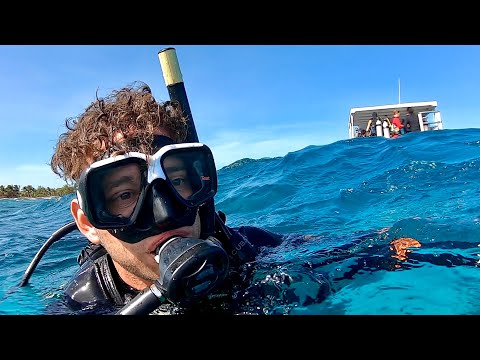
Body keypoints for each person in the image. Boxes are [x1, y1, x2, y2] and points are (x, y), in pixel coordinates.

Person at [49, 81, 285, 315]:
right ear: (87, 223)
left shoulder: (251, 247)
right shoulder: (80, 305)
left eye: (178, 181)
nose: (166, 214)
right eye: (125, 194)